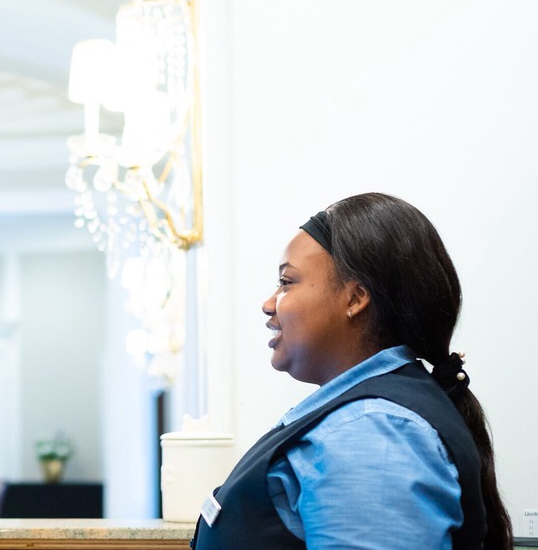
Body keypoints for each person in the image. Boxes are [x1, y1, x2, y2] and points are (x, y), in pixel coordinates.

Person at [192, 192, 512, 550]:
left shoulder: (373, 429)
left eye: (286, 282)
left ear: (355, 298)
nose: (269, 304)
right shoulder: (365, 420)